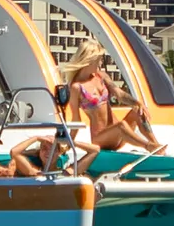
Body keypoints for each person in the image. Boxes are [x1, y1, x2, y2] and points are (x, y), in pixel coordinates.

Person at [62, 40, 163, 168]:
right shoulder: (76, 87)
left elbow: (119, 94)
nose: (100, 63)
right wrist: (69, 143)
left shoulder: (101, 76)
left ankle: (157, 146)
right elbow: (76, 119)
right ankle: (148, 146)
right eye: (98, 59)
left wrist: (137, 103)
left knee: (137, 110)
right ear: (90, 60)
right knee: (121, 126)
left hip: (118, 135)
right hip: (101, 138)